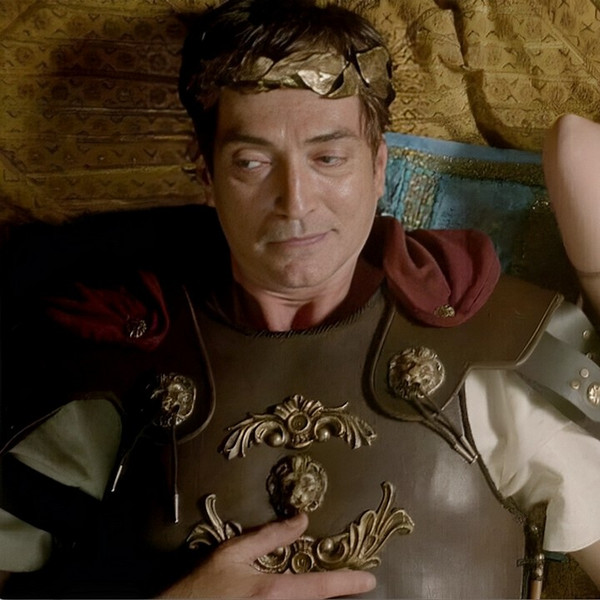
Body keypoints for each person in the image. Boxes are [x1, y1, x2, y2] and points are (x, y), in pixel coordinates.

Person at [1, 1, 600, 598]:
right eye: (252, 162)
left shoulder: (494, 358)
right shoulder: (110, 371)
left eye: (328, 158)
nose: (296, 201)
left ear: (378, 166)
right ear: (207, 176)